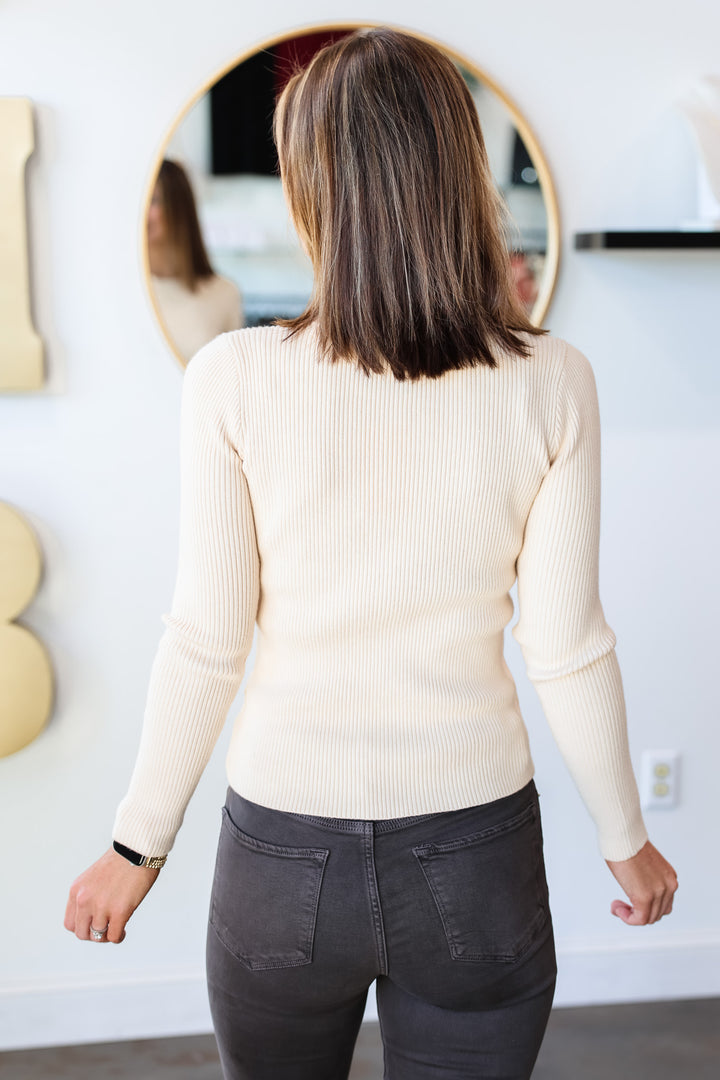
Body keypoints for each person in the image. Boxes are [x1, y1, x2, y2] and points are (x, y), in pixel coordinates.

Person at [64, 27, 678, 1080]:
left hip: (281, 857)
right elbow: (567, 645)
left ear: (311, 188)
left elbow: (207, 641)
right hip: (475, 856)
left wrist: (135, 846)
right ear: (460, 173)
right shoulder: (552, 378)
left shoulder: (231, 375)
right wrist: (627, 834)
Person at [147, 158, 243, 364]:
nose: (144, 213)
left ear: (179, 207)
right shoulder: (130, 290)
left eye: (153, 200)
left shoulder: (225, 294)